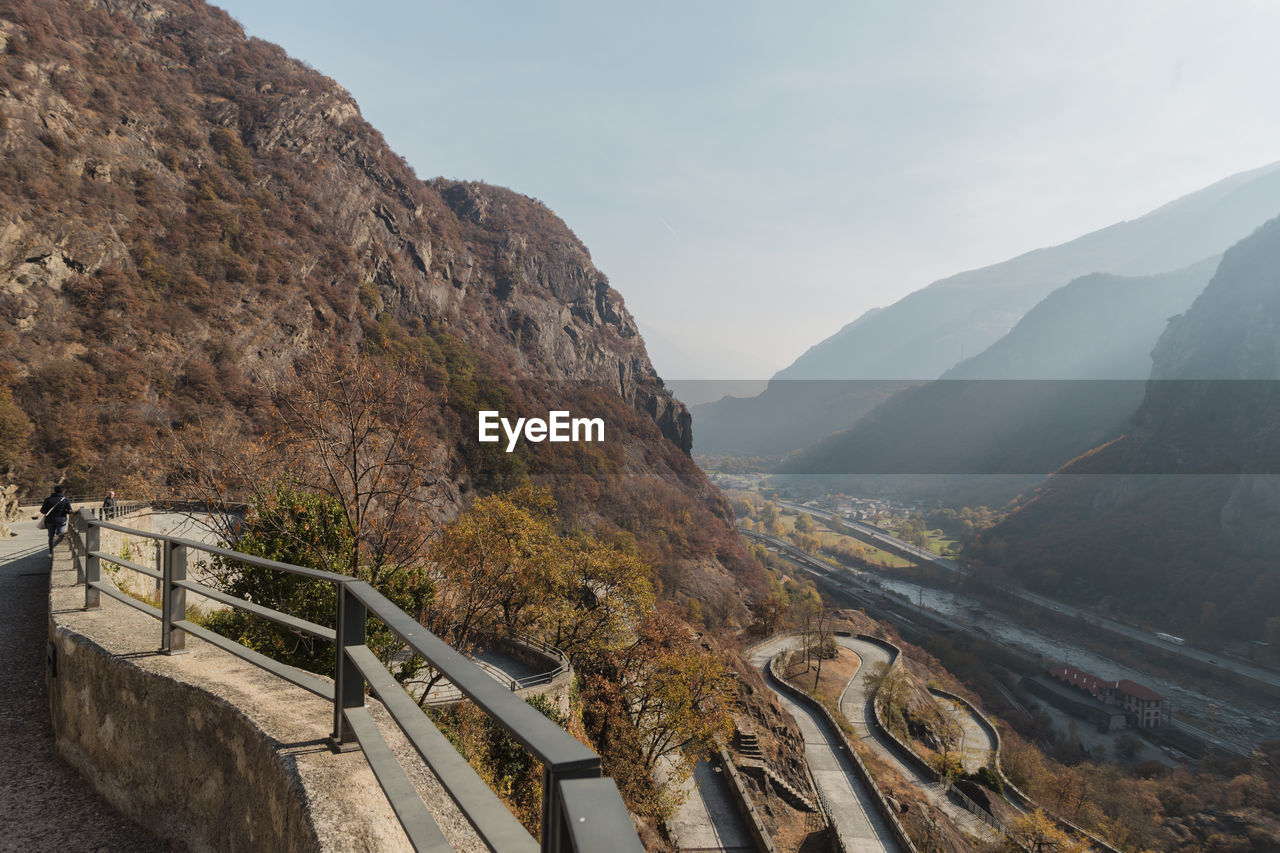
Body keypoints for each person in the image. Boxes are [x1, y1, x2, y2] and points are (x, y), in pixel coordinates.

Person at [40, 484, 73, 555]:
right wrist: (64, 511)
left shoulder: (47, 499)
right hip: (61, 520)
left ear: (54, 491)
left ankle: (51, 552)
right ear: (62, 491)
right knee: (60, 536)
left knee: (51, 537)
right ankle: (58, 552)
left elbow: (42, 510)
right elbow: (70, 510)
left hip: (50, 521)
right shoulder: (65, 500)